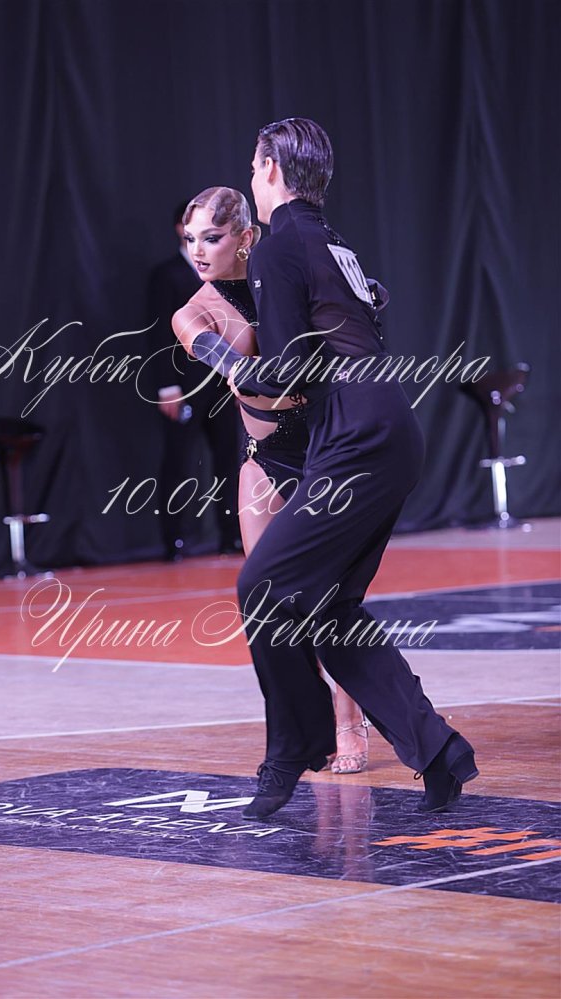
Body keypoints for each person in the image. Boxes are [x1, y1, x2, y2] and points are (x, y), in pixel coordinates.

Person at [226, 119, 478, 817]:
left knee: (261, 586)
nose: (251, 177)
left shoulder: (278, 246)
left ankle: (293, 746)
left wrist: (226, 363)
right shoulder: (333, 242)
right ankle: (439, 754)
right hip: (391, 430)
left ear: (271, 168)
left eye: (253, 165)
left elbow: (290, 371)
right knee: (330, 609)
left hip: (357, 437)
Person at [172, 186, 370, 775]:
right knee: (269, 603)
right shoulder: (194, 312)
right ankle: (302, 728)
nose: (198, 251)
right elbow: (242, 372)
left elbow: (362, 306)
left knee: (330, 600)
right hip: (265, 460)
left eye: (212, 237)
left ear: (245, 237)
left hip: (325, 452)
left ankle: (349, 721)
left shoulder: (285, 277)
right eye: (190, 239)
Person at [147, 201, 241, 559]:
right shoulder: (167, 275)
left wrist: (240, 374)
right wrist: (167, 386)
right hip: (185, 384)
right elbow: (159, 334)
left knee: (228, 460)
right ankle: (173, 539)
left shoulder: (224, 273)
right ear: (181, 230)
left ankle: (231, 535)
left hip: (222, 382)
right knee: (179, 461)